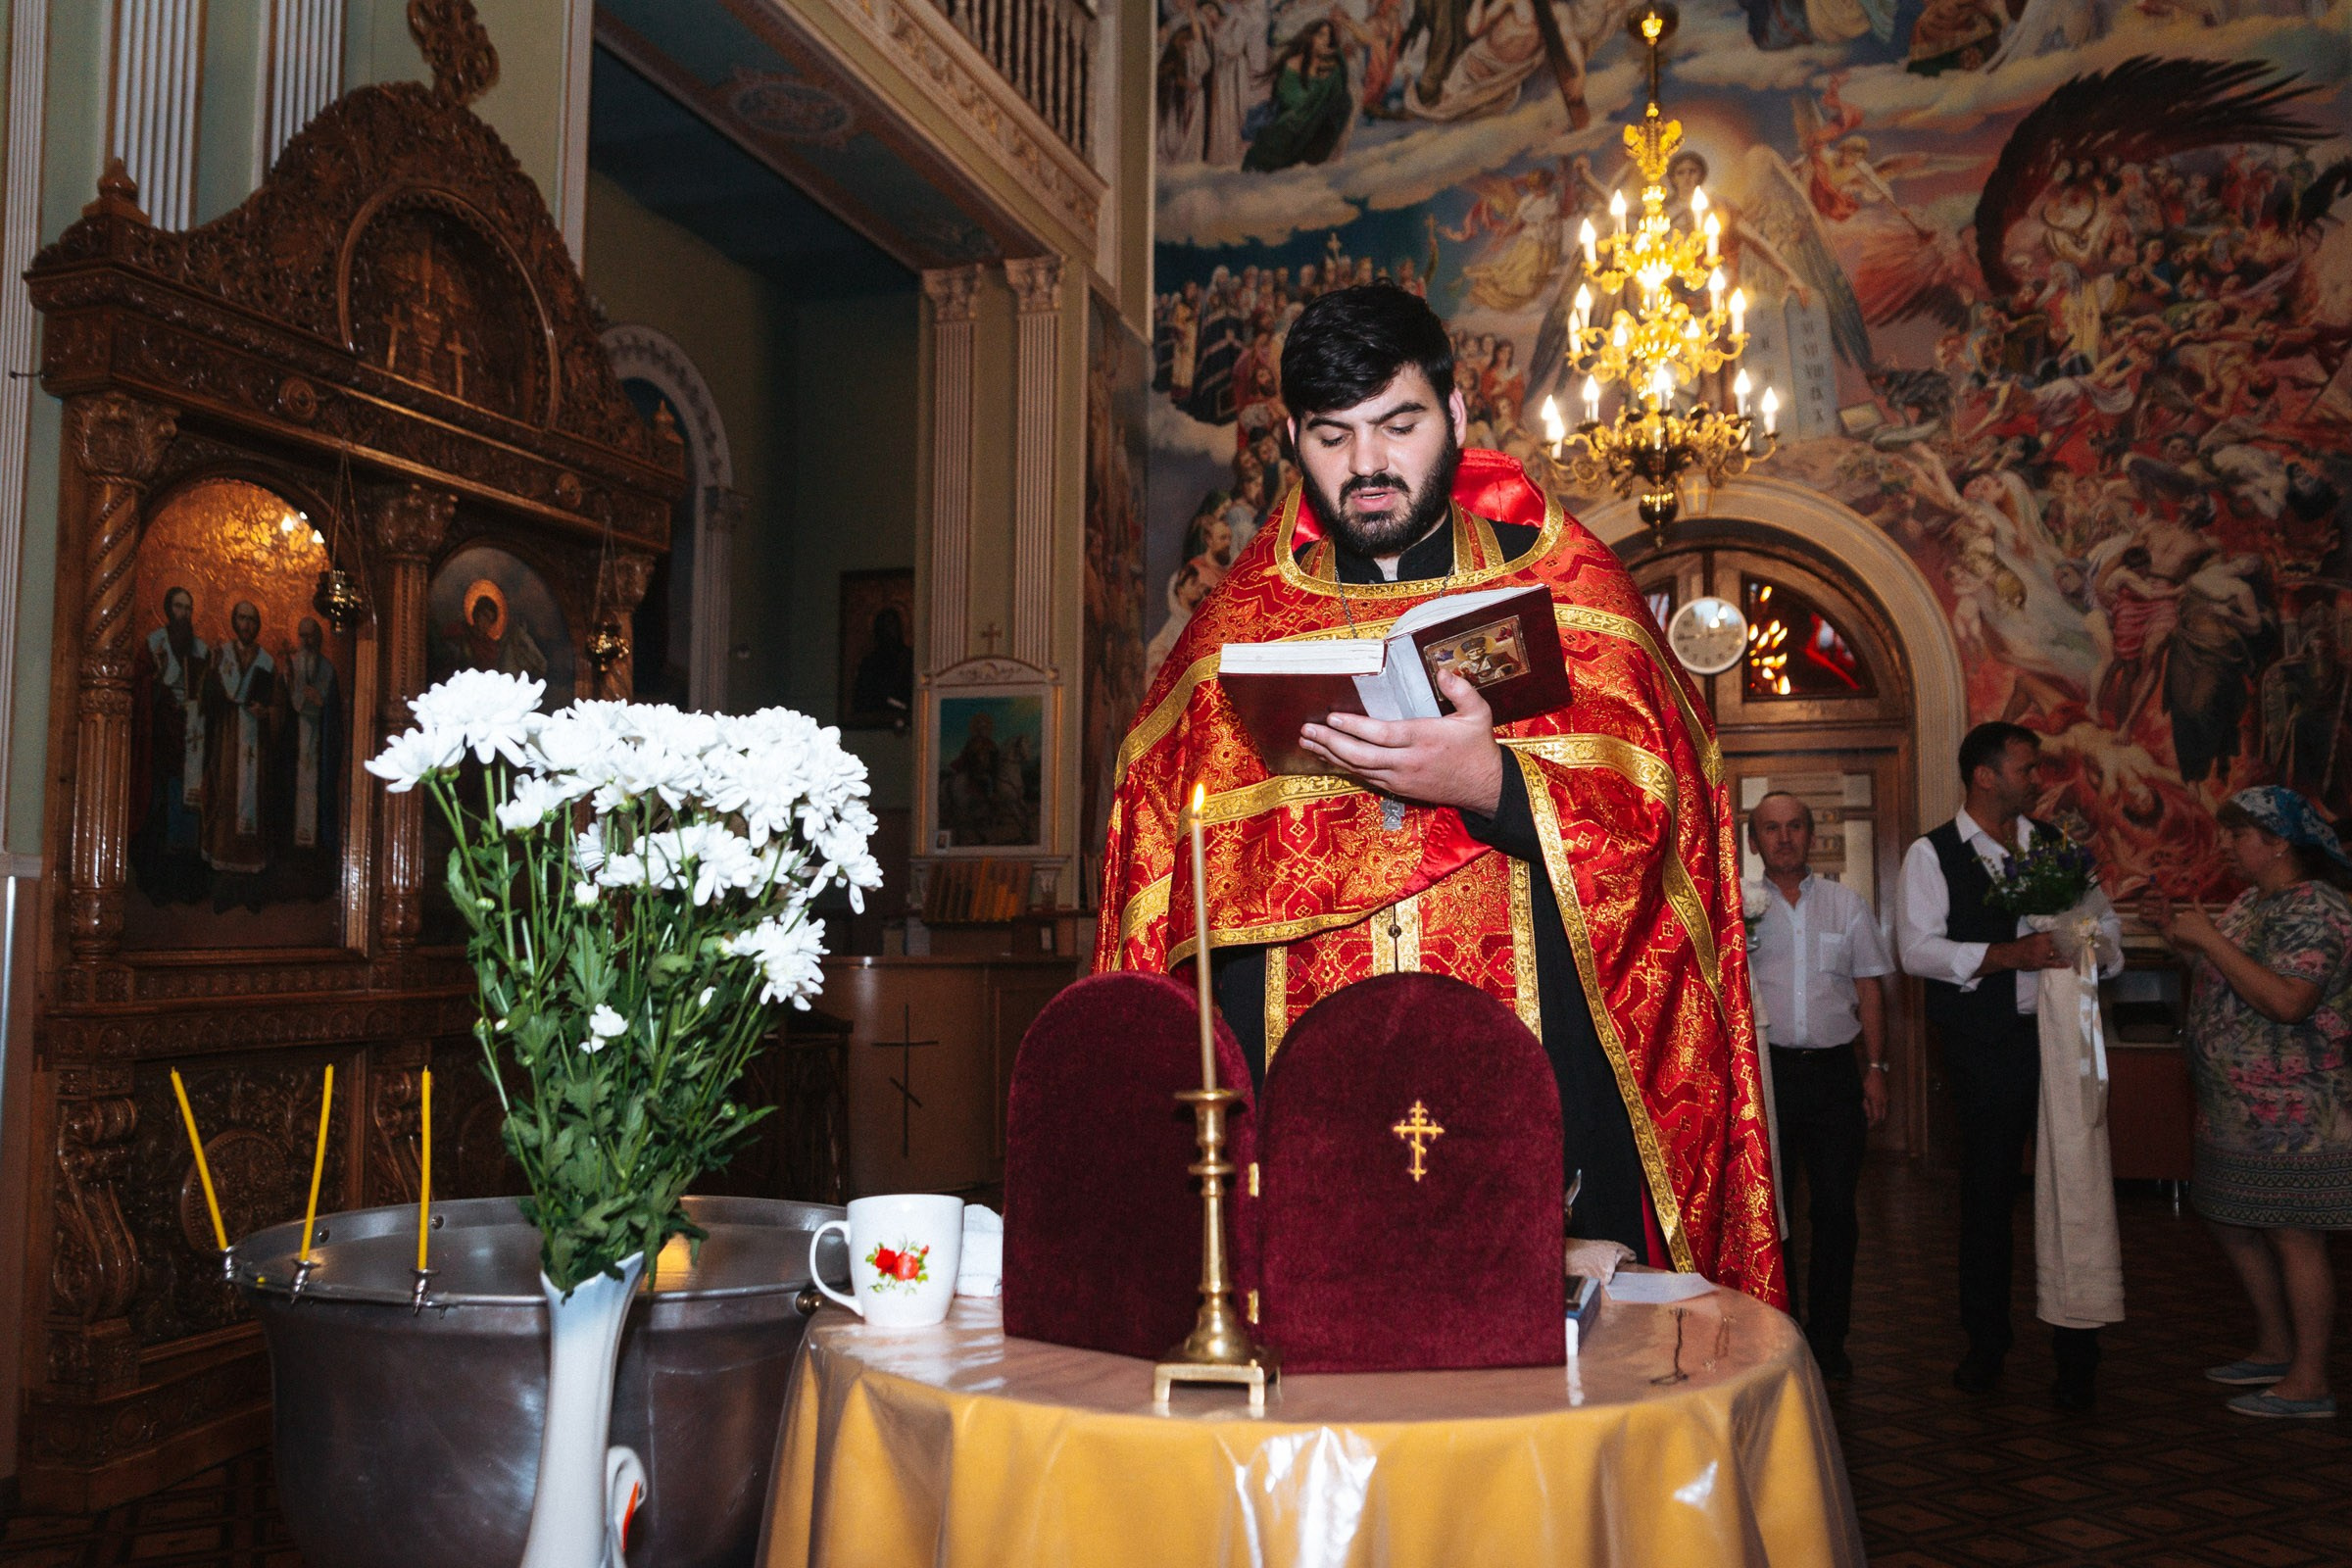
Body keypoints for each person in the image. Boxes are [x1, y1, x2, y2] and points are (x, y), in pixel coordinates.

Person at [1096, 284, 1784, 1302]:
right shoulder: (1232, 632)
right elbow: (1164, 888)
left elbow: (1664, 834)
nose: (1368, 464)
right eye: (1333, 435)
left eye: (1399, 424)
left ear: (1457, 416)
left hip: (1540, 1080)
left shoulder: (1573, 593)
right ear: (1293, 439)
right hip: (1305, 1096)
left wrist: (1495, 784)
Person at [1896, 722, 2123, 1408]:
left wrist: (2084, 944)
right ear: (1985, 776)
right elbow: (1917, 949)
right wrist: (2005, 956)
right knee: (1988, 1196)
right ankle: (1986, 1344)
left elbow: (2108, 930)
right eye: (2027, 768)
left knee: (2076, 1182)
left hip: (2063, 1041)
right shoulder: (1933, 854)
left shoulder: (2054, 846)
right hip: (1985, 1047)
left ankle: (2078, 1354)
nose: (2037, 780)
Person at [2145, 786, 2352, 1419]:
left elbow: (2289, 1001)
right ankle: (2274, 1346)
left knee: (2294, 1233)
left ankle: (2310, 1380)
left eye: (2238, 835)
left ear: (2280, 843)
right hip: (2235, 1111)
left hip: (2294, 1113)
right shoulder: (2252, 900)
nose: (2226, 846)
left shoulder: (2317, 906)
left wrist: (2211, 941)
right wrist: (2178, 938)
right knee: (2232, 1221)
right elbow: (2224, 973)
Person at [1746, 792, 1893, 1379]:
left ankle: (1829, 1342)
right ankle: (1779, 1337)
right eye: (1771, 829)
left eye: (1794, 827)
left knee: (1835, 1211)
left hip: (1835, 1076)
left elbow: (1870, 989)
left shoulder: (1845, 904)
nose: (1784, 838)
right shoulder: (1736, 905)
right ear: (1754, 841)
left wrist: (1876, 1068)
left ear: (1811, 836)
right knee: (1772, 1211)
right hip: (1767, 1075)